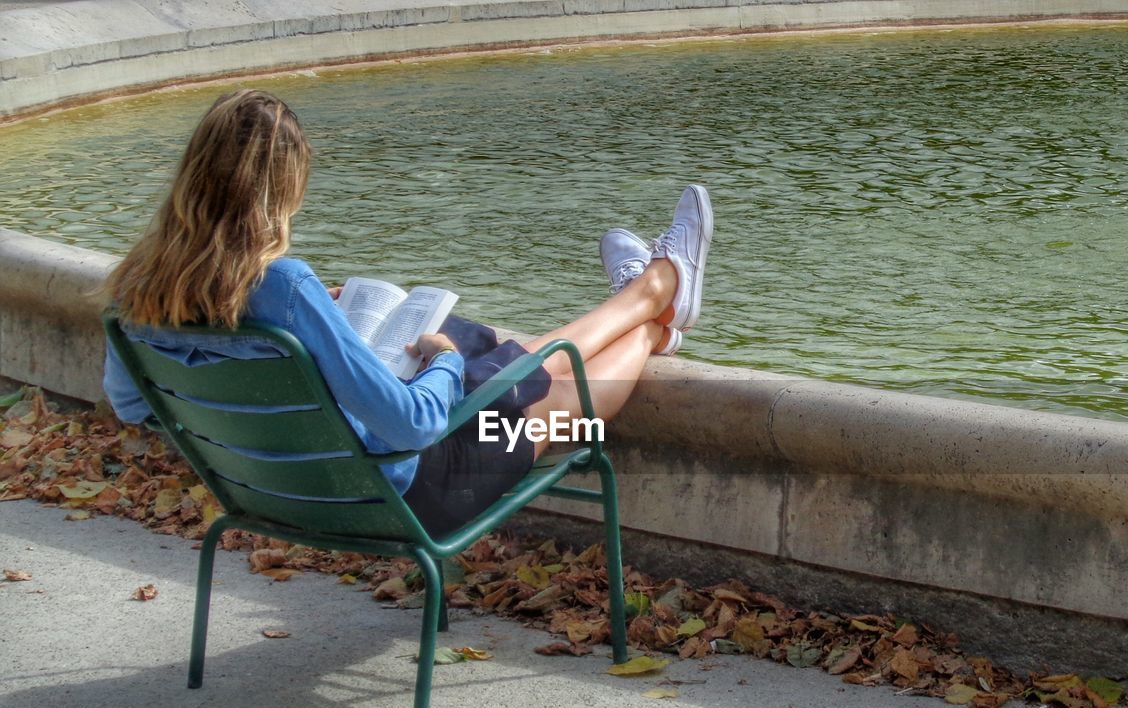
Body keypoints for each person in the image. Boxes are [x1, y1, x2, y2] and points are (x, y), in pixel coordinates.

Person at [102, 89, 713, 536]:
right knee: (552, 391)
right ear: (281, 192)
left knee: (491, 350)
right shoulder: (281, 285)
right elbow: (413, 426)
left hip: (267, 493)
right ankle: (654, 306)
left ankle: (647, 298)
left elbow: (133, 406)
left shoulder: (136, 288)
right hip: (406, 494)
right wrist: (442, 367)